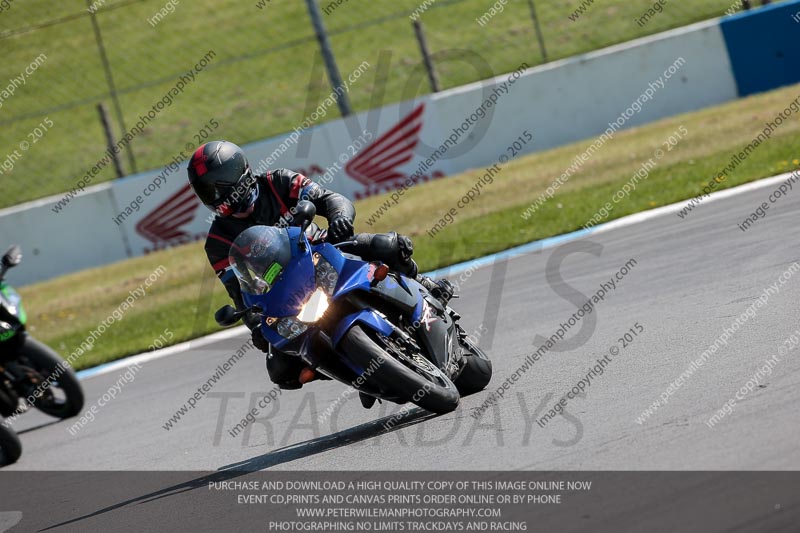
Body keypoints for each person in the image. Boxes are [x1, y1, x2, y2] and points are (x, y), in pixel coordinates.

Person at [187, 140, 453, 400]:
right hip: (284, 294)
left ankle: (423, 283)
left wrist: (340, 218)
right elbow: (239, 292)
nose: (215, 196)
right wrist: (256, 325)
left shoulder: (278, 181)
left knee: (389, 245)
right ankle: (354, 368)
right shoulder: (217, 243)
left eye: (217, 186)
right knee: (281, 370)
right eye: (206, 191)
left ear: (239, 172)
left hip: (324, 252)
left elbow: (330, 199)